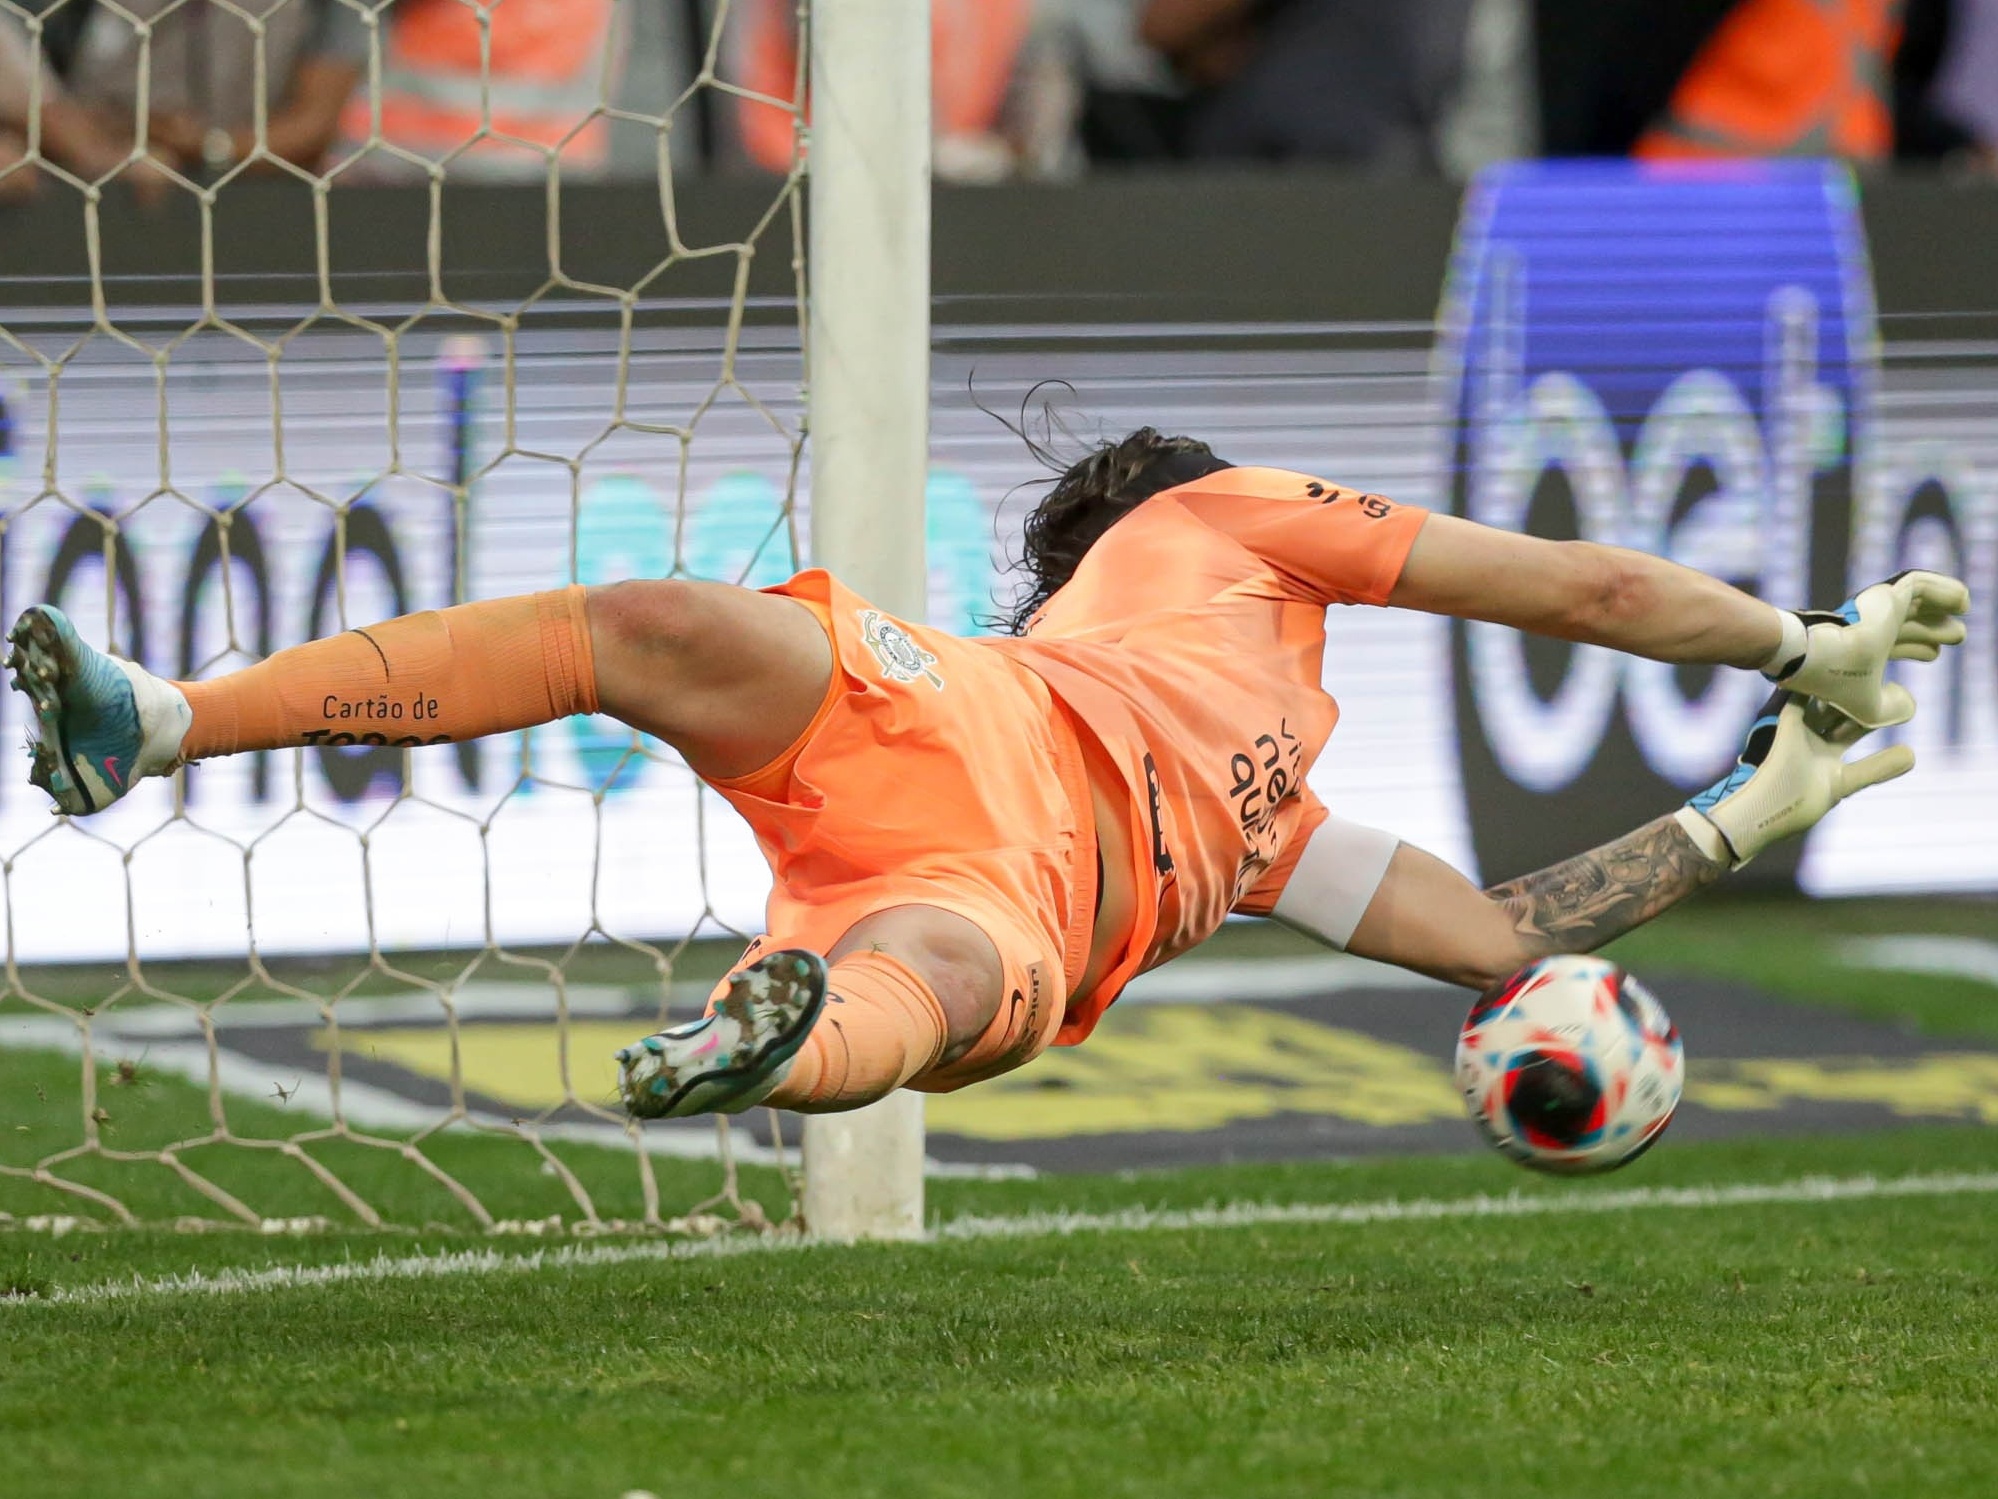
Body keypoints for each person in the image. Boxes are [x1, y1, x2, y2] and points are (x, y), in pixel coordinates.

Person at [5, 434, 1970, 1120]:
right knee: (937, 992)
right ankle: (785, 1046)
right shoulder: (1232, 540)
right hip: (1006, 835)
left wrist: (1771, 798)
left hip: (924, 731)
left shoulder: (1284, 826)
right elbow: (1596, 596)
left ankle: (174, 721)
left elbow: (1501, 947)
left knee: (667, 630)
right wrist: (1797, 658)